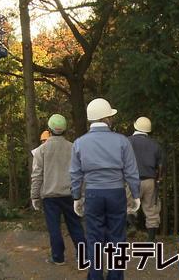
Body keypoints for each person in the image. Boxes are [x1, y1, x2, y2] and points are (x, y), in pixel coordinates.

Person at [70, 98, 141, 280]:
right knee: (117, 238)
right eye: (110, 116)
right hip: (116, 193)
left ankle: (95, 276)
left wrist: (77, 196)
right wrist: (135, 195)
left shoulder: (79, 143)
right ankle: (115, 276)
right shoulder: (122, 141)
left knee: (94, 238)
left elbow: (75, 173)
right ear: (106, 119)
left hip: (93, 194)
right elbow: (131, 171)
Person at [31, 114, 86, 266]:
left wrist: (34, 196)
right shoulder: (73, 147)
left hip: (50, 196)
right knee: (75, 225)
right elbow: (80, 173)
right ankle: (84, 256)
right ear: (65, 129)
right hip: (70, 194)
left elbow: (36, 175)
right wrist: (81, 195)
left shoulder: (41, 150)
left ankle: (58, 257)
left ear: (49, 129)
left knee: (54, 228)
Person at [126, 117, 164, 242]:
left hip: (131, 180)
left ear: (135, 126)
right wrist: (158, 180)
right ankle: (151, 239)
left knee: (129, 206)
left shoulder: (126, 141)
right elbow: (160, 165)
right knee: (151, 209)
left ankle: (131, 226)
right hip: (150, 181)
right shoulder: (155, 144)